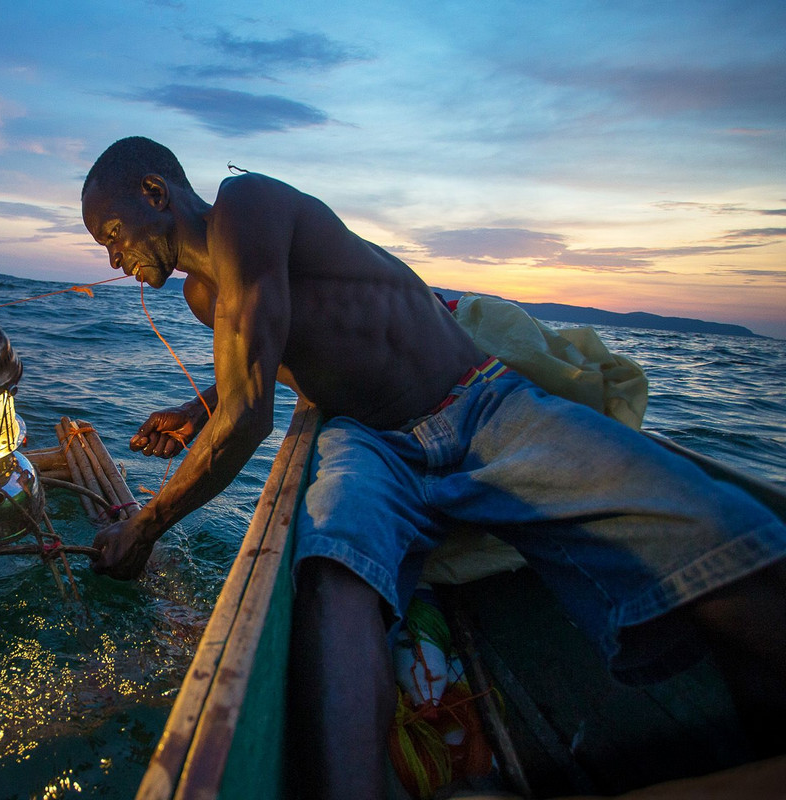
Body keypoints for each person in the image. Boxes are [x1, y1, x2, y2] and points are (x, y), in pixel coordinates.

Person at [79, 136, 786, 798]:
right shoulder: (206, 296)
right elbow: (274, 356)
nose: (114, 261)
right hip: (372, 441)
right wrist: (198, 406)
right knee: (335, 569)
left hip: (481, 405)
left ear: (155, 191)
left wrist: (144, 528)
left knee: (719, 530)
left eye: (112, 235)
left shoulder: (248, 205)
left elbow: (251, 416)